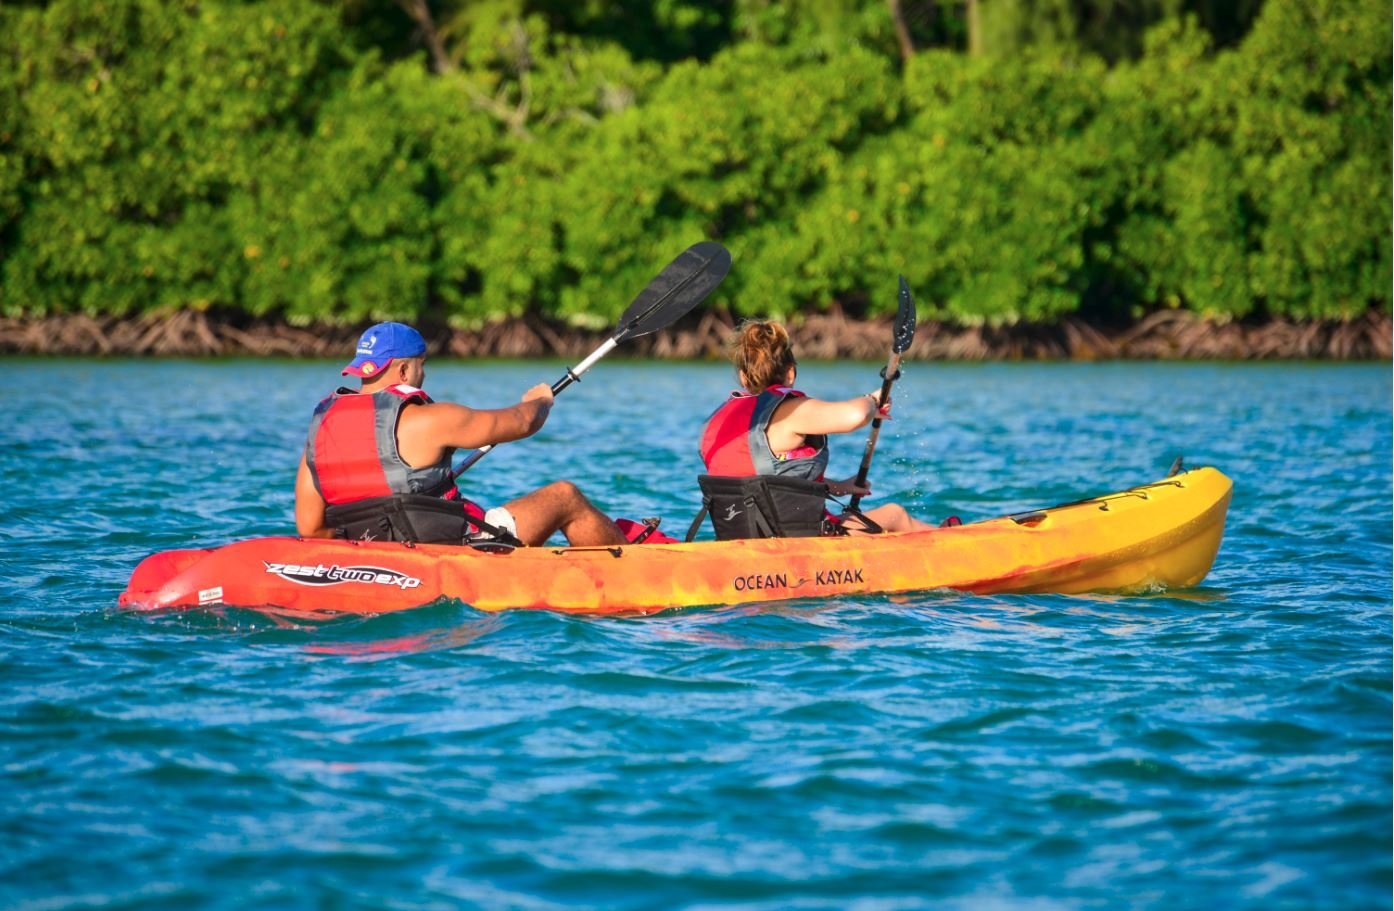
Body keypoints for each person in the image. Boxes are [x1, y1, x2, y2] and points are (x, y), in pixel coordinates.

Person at [294, 322, 626, 547]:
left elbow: (311, 528)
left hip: (374, 556)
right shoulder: (429, 419)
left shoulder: (320, 430)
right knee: (564, 496)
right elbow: (523, 422)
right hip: (458, 548)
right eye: (421, 365)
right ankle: (628, 570)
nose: (422, 374)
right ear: (406, 369)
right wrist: (539, 400)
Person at [699, 319, 933, 535]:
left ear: (743, 377)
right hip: (796, 542)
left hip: (742, 538)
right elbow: (856, 415)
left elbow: (765, 483)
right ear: (790, 373)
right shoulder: (789, 411)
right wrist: (874, 401)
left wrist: (837, 487)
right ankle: (959, 545)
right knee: (895, 514)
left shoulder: (716, 421)